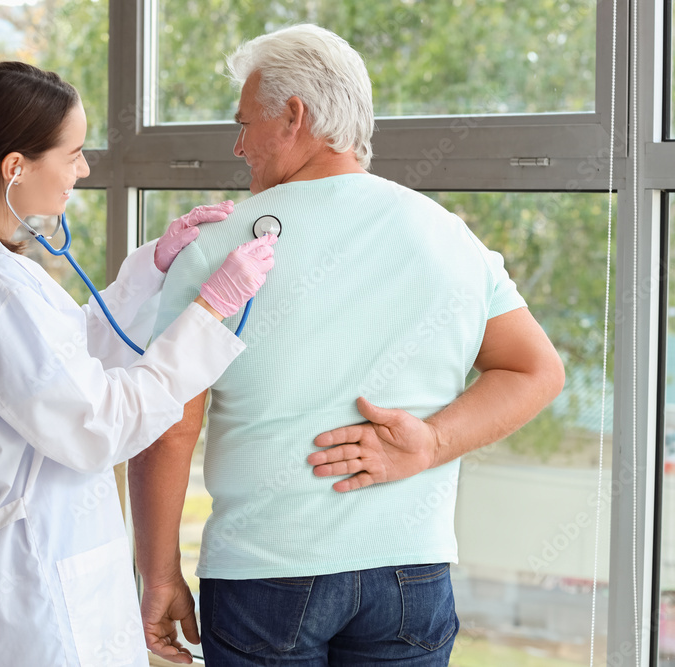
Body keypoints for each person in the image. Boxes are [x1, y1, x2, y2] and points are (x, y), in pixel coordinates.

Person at [129, 24, 566, 666]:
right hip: (410, 576)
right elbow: (536, 370)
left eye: (245, 122)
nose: (238, 143)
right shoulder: (449, 237)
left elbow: (169, 427)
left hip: (263, 577)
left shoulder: (221, 248)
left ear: (294, 117)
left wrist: (159, 575)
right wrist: (434, 442)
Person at [0, 61, 276, 667]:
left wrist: (151, 268)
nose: (83, 169)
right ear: (15, 168)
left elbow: (59, 364)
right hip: (32, 592)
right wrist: (211, 310)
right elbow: (96, 424)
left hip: (18, 582)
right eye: (73, 153)